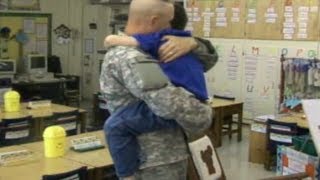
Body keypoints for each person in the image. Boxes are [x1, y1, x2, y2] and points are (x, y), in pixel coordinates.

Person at [100, 0, 216, 179]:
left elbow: (208, 60)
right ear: (154, 21)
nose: (170, 29)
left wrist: (193, 43)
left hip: (169, 154)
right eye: (168, 22)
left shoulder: (150, 47)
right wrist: (204, 114)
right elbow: (167, 103)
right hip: (152, 161)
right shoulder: (128, 56)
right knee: (114, 127)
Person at [105, 3, 208, 101]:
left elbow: (113, 40)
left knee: (121, 119)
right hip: (198, 95)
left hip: (181, 100)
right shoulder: (188, 42)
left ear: (157, 22)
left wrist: (112, 39)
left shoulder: (159, 39)